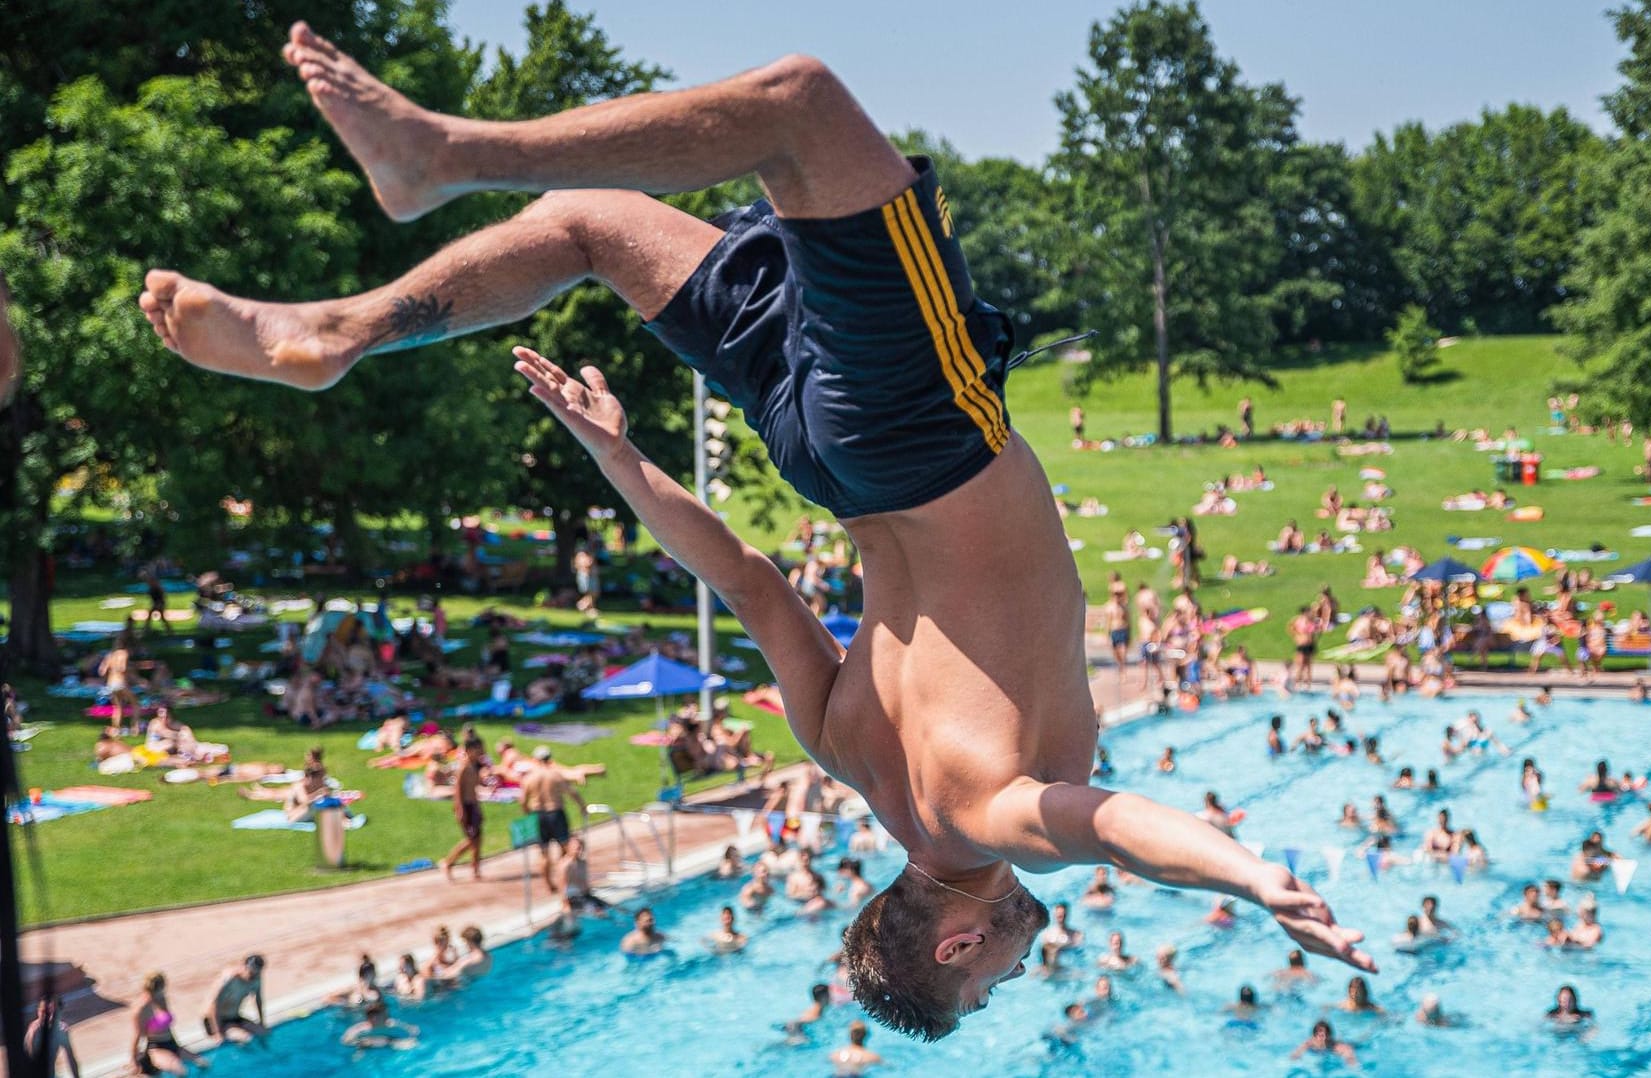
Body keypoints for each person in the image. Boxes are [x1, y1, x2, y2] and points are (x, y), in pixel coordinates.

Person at [147, 28, 1368, 1037]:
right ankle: (347, 330)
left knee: (799, 109)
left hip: (922, 432)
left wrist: (1254, 877)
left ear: (953, 940)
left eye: (991, 981)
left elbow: (1113, 831)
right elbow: (742, 575)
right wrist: (622, 461)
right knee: (588, 227)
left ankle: (436, 157)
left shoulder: (988, 820)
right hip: (822, 454)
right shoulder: (846, 753)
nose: (1016, 970)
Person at [519, 746, 588, 894]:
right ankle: (564, 879)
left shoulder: (530, 778)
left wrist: (528, 814)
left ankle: (549, 884)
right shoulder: (555, 775)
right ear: (549, 759)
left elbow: (523, 800)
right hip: (556, 813)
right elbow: (572, 792)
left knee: (543, 853)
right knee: (565, 849)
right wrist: (582, 806)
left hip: (538, 815)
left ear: (535, 760)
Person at [132, 972, 206, 1074]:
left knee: (203, 1063)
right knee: (181, 1071)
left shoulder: (162, 1000)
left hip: (172, 1043)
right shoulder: (143, 1009)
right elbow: (138, 1036)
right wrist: (135, 1061)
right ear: (160, 987)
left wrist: (178, 1046)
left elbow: (168, 1026)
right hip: (156, 1048)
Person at [442, 736, 486, 881]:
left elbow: (474, 789)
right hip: (465, 806)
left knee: (478, 839)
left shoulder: (475, 766)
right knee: (471, 839)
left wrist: (478, 808)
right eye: (478, 748)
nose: (481, 751)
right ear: (470, 750)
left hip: (473, 805)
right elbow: (457, 790)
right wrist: (460, 810)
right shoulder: (463, 767)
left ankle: (475, 868)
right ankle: (448, 862)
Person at [202, 953, 268, 1045]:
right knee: (246, 1038)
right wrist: (217, 1033)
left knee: (264, 1032)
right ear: (244, 967)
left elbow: (258, 1000)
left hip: (234, 1018)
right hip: (215, 1021)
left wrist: (262, 1022)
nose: (252, 976)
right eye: (251, 972)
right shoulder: (229, 978)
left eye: (256, 973)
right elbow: (212, 1004)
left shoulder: (256, 979)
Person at [26, 995, 81, 1078]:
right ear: (38, 1012)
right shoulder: (34, 1032)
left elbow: (71, 1059)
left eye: (52, 1012)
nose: (48, 1017)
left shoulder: (61, 1031)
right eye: (43, 1012)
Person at [340, 995, 418, 1049]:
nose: (388, 1016)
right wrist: (364, 1042)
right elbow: (345, 1040)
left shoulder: (390, 1023)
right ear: (373, 1019)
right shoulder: (361, 1029)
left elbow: (412, 1029)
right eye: (384, 1014)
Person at [1291, 1019, 1358, 1066]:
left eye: (1325, 1035)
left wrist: (1350, 1061)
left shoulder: (1335, 1046)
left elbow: (1348, 1052)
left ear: (1329, 1036)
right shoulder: (1309, 1043)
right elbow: (1295, 1055)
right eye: (1319, 1035)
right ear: (1314, 1035)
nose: (1322, 1038)